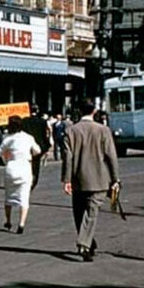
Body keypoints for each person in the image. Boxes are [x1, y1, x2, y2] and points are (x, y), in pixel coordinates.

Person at [62, 98, 120, 262]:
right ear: (94, 111)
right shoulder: (103, 130)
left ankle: (87, 242)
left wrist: (66, 179)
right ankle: (84, 243)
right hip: (99, 179)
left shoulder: (71, 131)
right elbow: (111, 156)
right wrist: (115, 178)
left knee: (79, 212)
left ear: (79, 111)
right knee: (91, 212)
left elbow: (68, 157)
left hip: (78, 178)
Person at [0, 115, 40, 234]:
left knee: (8, 196)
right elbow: (37, 150)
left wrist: (6, 155)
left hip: (11, 167)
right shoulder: (28, 137)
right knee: (24, 197)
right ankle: (21, 223)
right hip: (25, 167)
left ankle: (8, 221)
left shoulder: (8, 139)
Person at [21, 104, 51, 190]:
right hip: (38, 145)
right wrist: (47, 146)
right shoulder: (42, 121)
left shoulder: (24, 121)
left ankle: (27, 179)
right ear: (37, 111)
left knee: (27, 163)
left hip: (27, 146)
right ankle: (34, 180)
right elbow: (45, 135)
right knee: (36, 165)